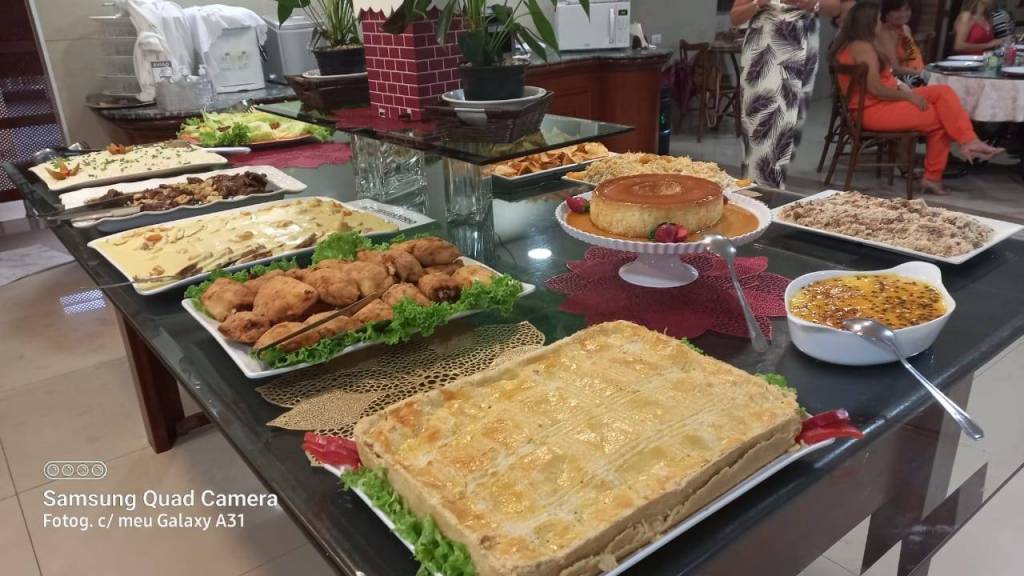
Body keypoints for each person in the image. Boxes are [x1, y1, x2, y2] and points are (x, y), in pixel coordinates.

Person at [831, 1, 1003, 195]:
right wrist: (908, 97)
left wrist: (905, 92)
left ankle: (968, 141)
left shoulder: (857, 43)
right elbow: (875, 89)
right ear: (869, 22)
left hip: (883, 101)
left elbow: (882, 83)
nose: (881, 23)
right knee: (941, 120)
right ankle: (934, 176)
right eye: (878, 19)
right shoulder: (862, 47)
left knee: (943, 92)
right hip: (873, 109)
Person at [730, 0, 849, 189]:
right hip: (765, 53)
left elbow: (835, 8)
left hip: (802, 51)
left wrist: (813, 3)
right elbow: (735, 17)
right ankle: (758, 192)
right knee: (763, 125)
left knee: (789, 131)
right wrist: (758, 3)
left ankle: (768, 192)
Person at [876, 0, 926, 85]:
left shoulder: (906, 28)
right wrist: (922, 74)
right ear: (886, 12)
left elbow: (913, 57)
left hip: (919, 75)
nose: (903, 14)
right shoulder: (885, 33)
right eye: (897, 10)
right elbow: (894, 69)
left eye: (907, 9)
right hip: (902, 81)